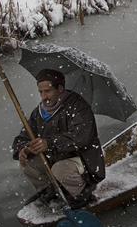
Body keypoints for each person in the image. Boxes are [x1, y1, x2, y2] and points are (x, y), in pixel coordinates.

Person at [12, 68, 105, 208]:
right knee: (28, 163)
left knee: (60, 169)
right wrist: (24, 149)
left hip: (84, 159)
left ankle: (82, 195)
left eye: (47, 91)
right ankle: (51, 191)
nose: (44, 97)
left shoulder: (78, 107)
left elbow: (81, 138)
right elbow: (22, 137)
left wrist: (49, 143)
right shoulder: (38, 112)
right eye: (41, 92)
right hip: (57, 156)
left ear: (60, 88)